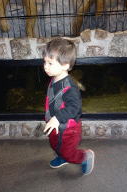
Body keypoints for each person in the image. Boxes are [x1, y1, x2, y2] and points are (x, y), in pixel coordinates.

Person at [43, 38, 94, 175]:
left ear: (65, 65)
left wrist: (57, 118)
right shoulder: (54, 78)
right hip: (57, 125)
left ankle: (84, 157)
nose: (45, 67)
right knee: (55, 145)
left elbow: (74, 107)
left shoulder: (70, 88)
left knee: (67, 151)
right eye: (45, 62)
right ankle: (63, 156)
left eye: (50, 63)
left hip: (69, 130)